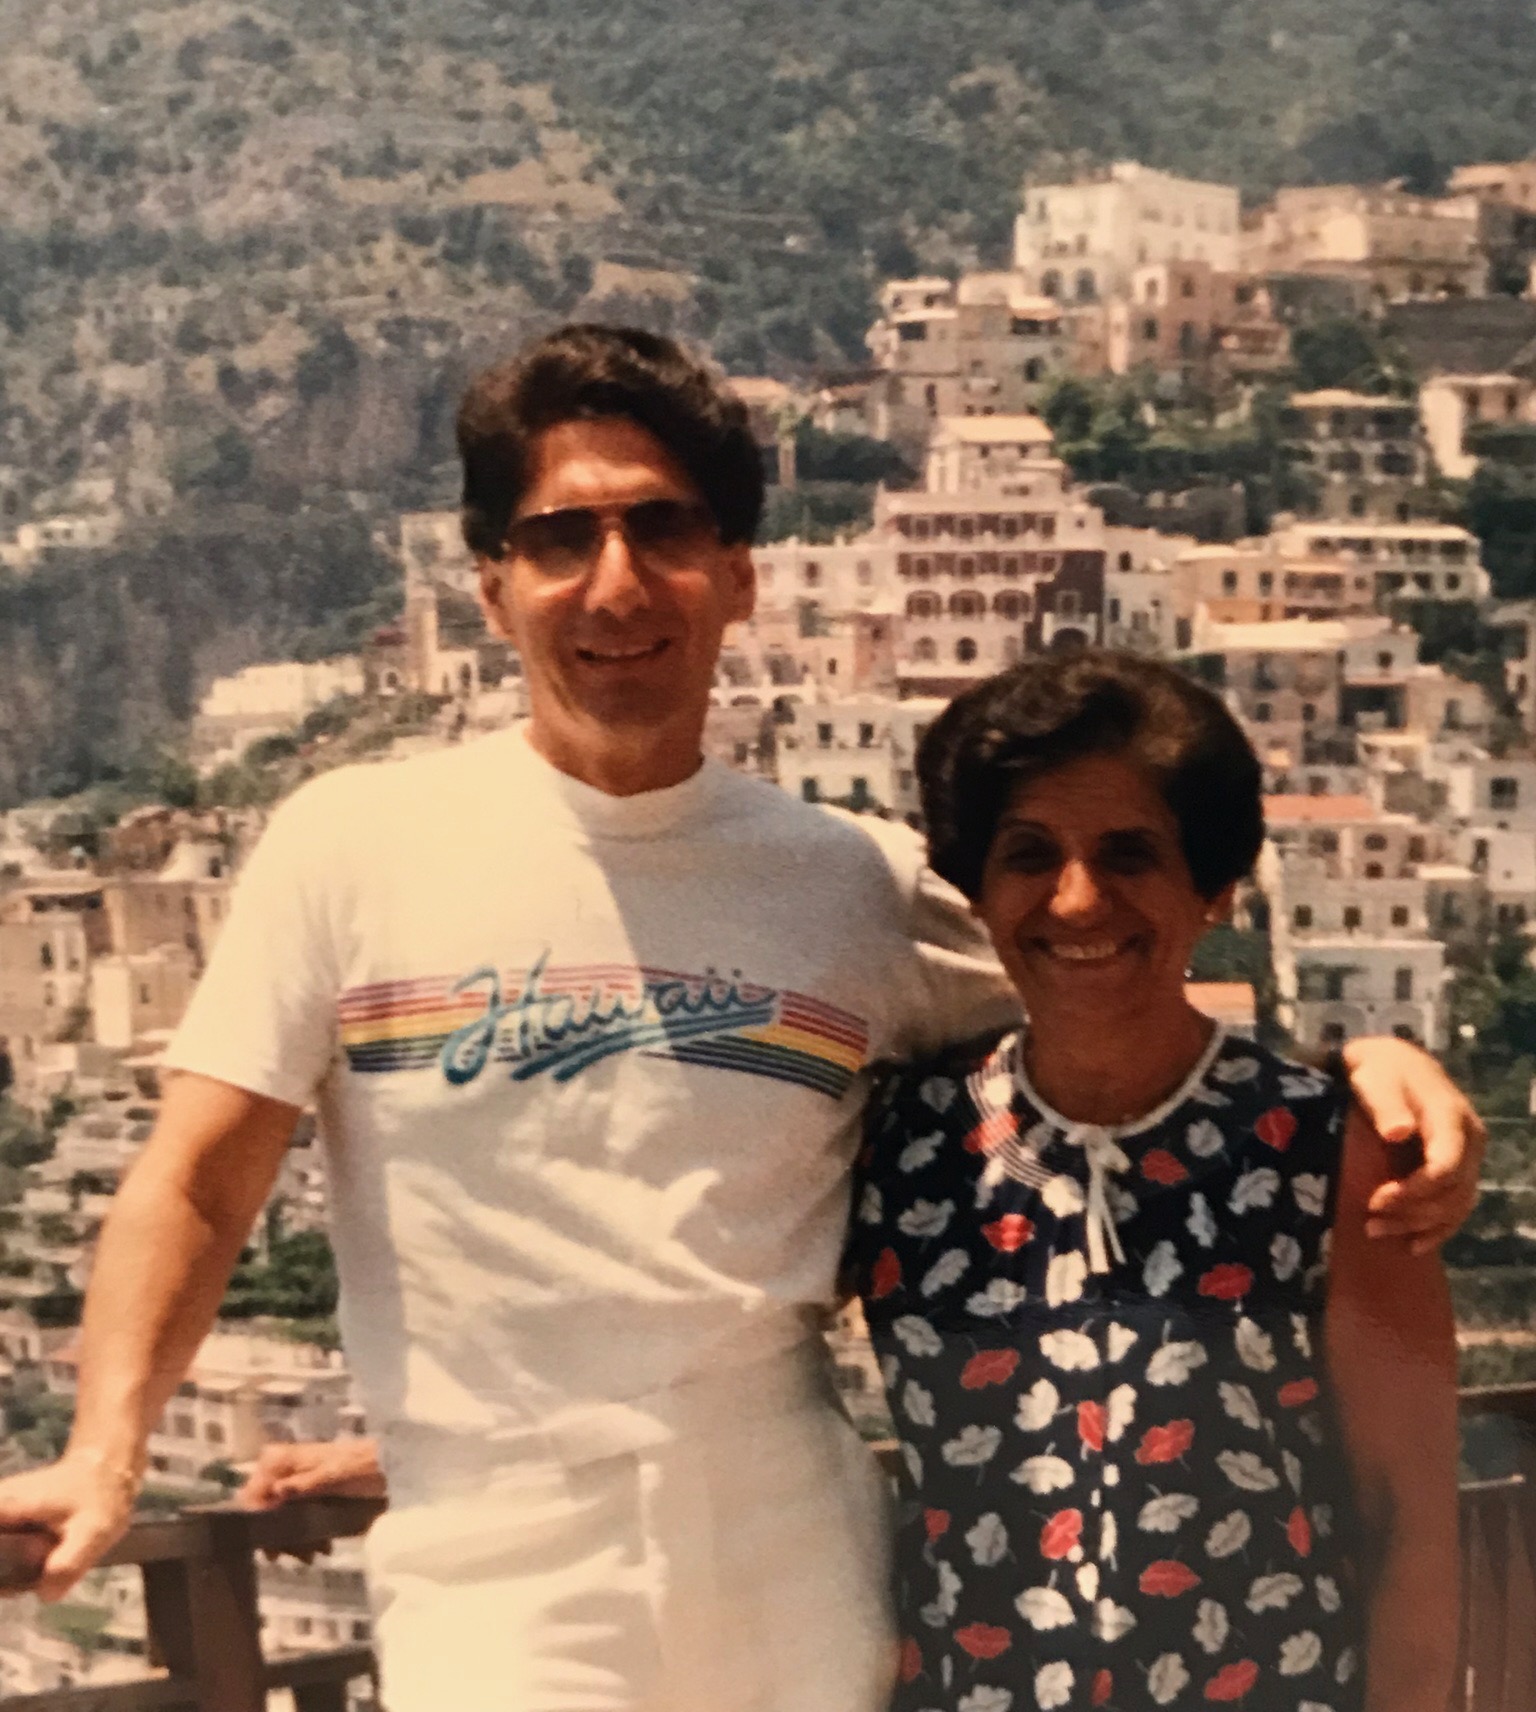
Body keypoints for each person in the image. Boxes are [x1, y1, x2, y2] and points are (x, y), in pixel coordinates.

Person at [0, 328, 1478, 1712]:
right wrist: (105, 1453)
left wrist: (1381, 1070)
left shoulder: (847, 881)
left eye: (665, 529)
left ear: (742, 574)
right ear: (488, 581)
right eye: (562, 537)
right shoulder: (349, 844)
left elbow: (1124, 992)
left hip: (797, 1557)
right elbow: (199, 1175)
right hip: (495, 1578)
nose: (617, 583)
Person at [846, 652, 1459, 1712]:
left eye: (1130, 854)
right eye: (1029, 854)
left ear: (1213, 888)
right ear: (977, 890)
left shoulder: (1321, 1148)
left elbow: (1405, 1513)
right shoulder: (904, 1142)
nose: (1079, 898)